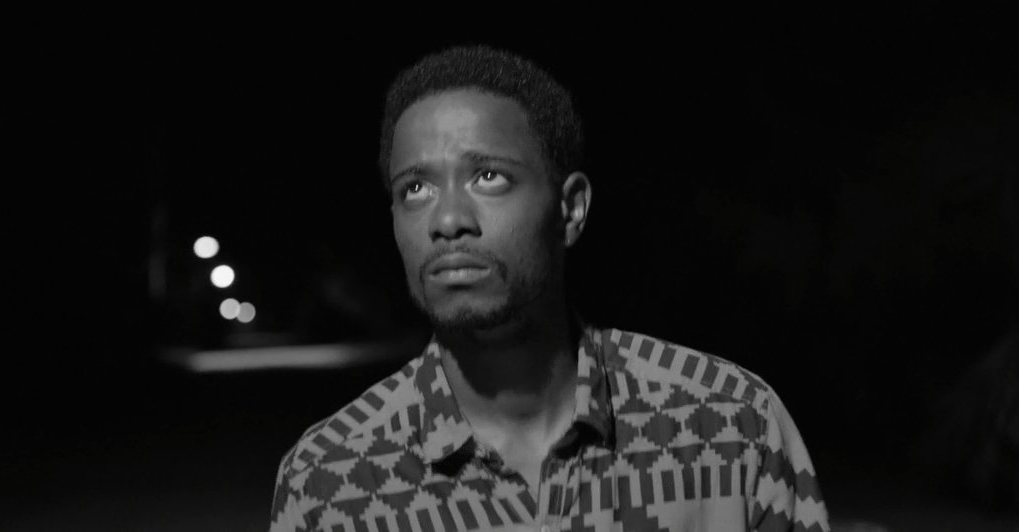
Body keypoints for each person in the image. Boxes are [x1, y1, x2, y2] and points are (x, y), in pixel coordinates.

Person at [269, 45, 829, 532]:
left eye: (488, 176)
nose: (448, 220)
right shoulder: (331, 480)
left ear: (571, 209)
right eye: (415, 188)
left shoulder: (729, 425)